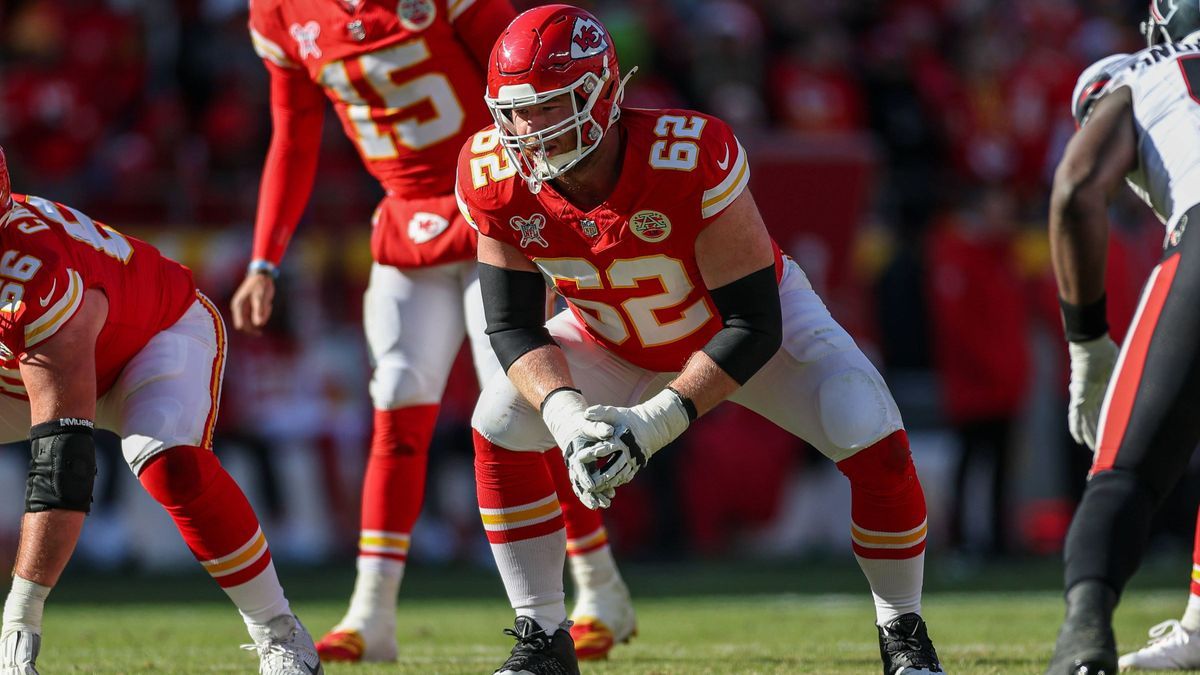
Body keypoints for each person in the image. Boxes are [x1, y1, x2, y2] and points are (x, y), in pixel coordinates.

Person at [455, 5, 944, 674]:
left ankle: (904, 633)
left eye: (549, 105)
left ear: (601, 94)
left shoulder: (688, 155)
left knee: (866, 421)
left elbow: (754, 323)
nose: (527, 128)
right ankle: (542, 636)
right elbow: (512, 324)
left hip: (740, 330)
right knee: (500, 421)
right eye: (514, 110)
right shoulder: (493, 175)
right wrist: (568, 419)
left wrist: (652, 424)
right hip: (611, 335)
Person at [237, 0, 635, 662]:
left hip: (492, 207)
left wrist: (551, 204)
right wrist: (263, 257)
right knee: (396, 402)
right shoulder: (279, 13)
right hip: (404, 219)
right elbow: (292, 134)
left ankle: (598, 588)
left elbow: (523, 86)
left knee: (516, 408)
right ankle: (373, 610)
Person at [0, 148, 321, 675]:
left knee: (169, 463)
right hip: (32, 362)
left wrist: (21, 616)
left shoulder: (33, 276)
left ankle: (279, 633)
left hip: (152, 335)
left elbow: (64, 470)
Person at [1045, 3, 1200, 673]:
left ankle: (1084, 634)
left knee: (1125, 474)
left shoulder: (1146, 74)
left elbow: (1077, 187)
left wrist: (1086, 343)